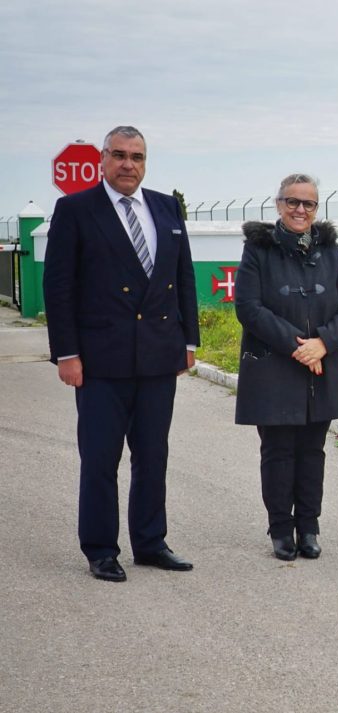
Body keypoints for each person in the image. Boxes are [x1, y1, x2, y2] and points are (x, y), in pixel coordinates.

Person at [43, 125, 200, 582]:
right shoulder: (75, 209)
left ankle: (150, 542)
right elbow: (59, 287)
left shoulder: (166, 207)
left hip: (157, 356)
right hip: (99, 360)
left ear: (145, 161)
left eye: (137, 156)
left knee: (153, 455)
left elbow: (183, 276)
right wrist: (67, 353)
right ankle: (100, 549)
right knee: (100, 458)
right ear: (103, 159)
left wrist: (188, 342)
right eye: (119, 155)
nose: (128, 164)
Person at [234, 174, 338, 561]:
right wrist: (297, 346)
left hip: (323, 362)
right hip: (274, 364)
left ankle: (309, 527)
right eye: (292, 202)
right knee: (278, 450)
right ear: (278, 204)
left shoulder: (332, 252)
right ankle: (280, 529)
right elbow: (249, 307)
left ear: (316, 209)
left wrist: (323, 342)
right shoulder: (258, 251)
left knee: (312, 450)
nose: (300, 210)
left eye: (308, 204)